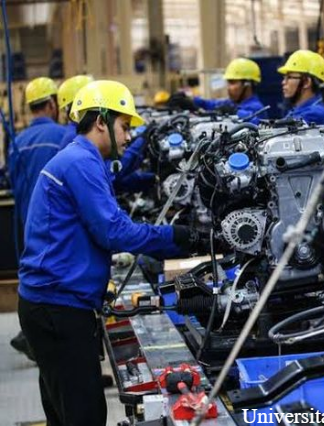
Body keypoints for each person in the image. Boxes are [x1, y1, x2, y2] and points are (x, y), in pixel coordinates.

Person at [17, 80, 201, 426]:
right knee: (84, 415)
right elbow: (113, 230)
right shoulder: (79, 163)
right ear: (101, 121)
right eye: (124, 126)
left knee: (66, 412)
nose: (129, 135)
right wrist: (180, 236)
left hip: (51, 304)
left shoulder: (83, 159)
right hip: (58, 309)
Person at [8, 77, 66, 360]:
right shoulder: (62, 136)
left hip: (25, 222)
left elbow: (13, 182)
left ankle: (33, 337)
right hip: (55, 225)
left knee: (33, 282)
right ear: (53, 103)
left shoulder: (17, 141)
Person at [58, 74, 156, 193]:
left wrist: (152, 178)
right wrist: (141, 142)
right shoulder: (76, 138)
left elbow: (115, 182)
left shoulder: (78, 136)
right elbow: (111, 173)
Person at [193, 58, 268, 124]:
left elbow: (254, 121)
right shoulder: (231, 103)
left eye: (232, 82)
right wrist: (192, 101)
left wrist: (235, 112)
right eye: (228, 83)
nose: (228, 87)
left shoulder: (256, 107)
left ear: (247, 84)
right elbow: (210, 104)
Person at [278, 49, 324, 128]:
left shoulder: (314, 114)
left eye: (289, 77)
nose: (283, 82)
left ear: (306, 82)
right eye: (284, 77)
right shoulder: (297, 110)